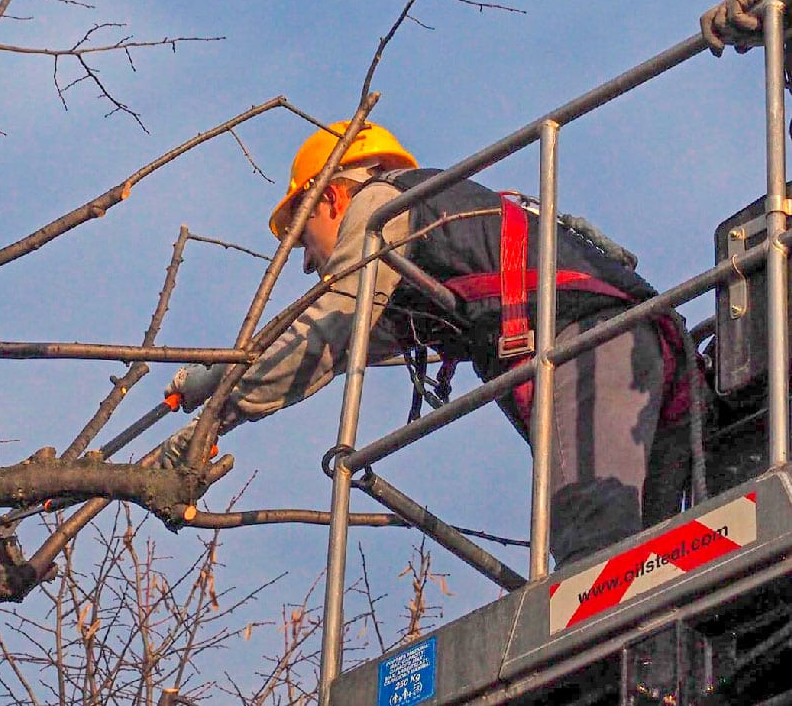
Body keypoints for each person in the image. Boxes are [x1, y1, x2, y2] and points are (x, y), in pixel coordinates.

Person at [161, 122, 695, 570]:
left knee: (596, 554)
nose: (306, 263)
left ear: (329, 196)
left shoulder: (382, 207)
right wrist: (211, 394)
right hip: (639, 352)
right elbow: (318, 352)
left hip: (595, 345)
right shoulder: (420, 250)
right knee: (654, 558)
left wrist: (213, 413)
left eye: (303, 238)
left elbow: (325, 332)